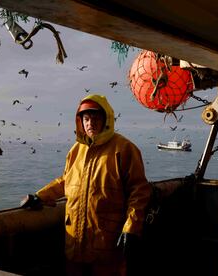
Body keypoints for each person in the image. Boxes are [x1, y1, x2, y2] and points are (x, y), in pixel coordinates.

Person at [21, 94, 152, 276]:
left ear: (106, 119)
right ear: (80, 122)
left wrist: (131, 229)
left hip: (107, 244)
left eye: (96, 118)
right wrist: (40, 196)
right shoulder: (76, 150)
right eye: (86, 119)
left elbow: (140, 192)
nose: (90, 123)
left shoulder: (124, 149)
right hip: (75, 244)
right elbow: (66, 181)